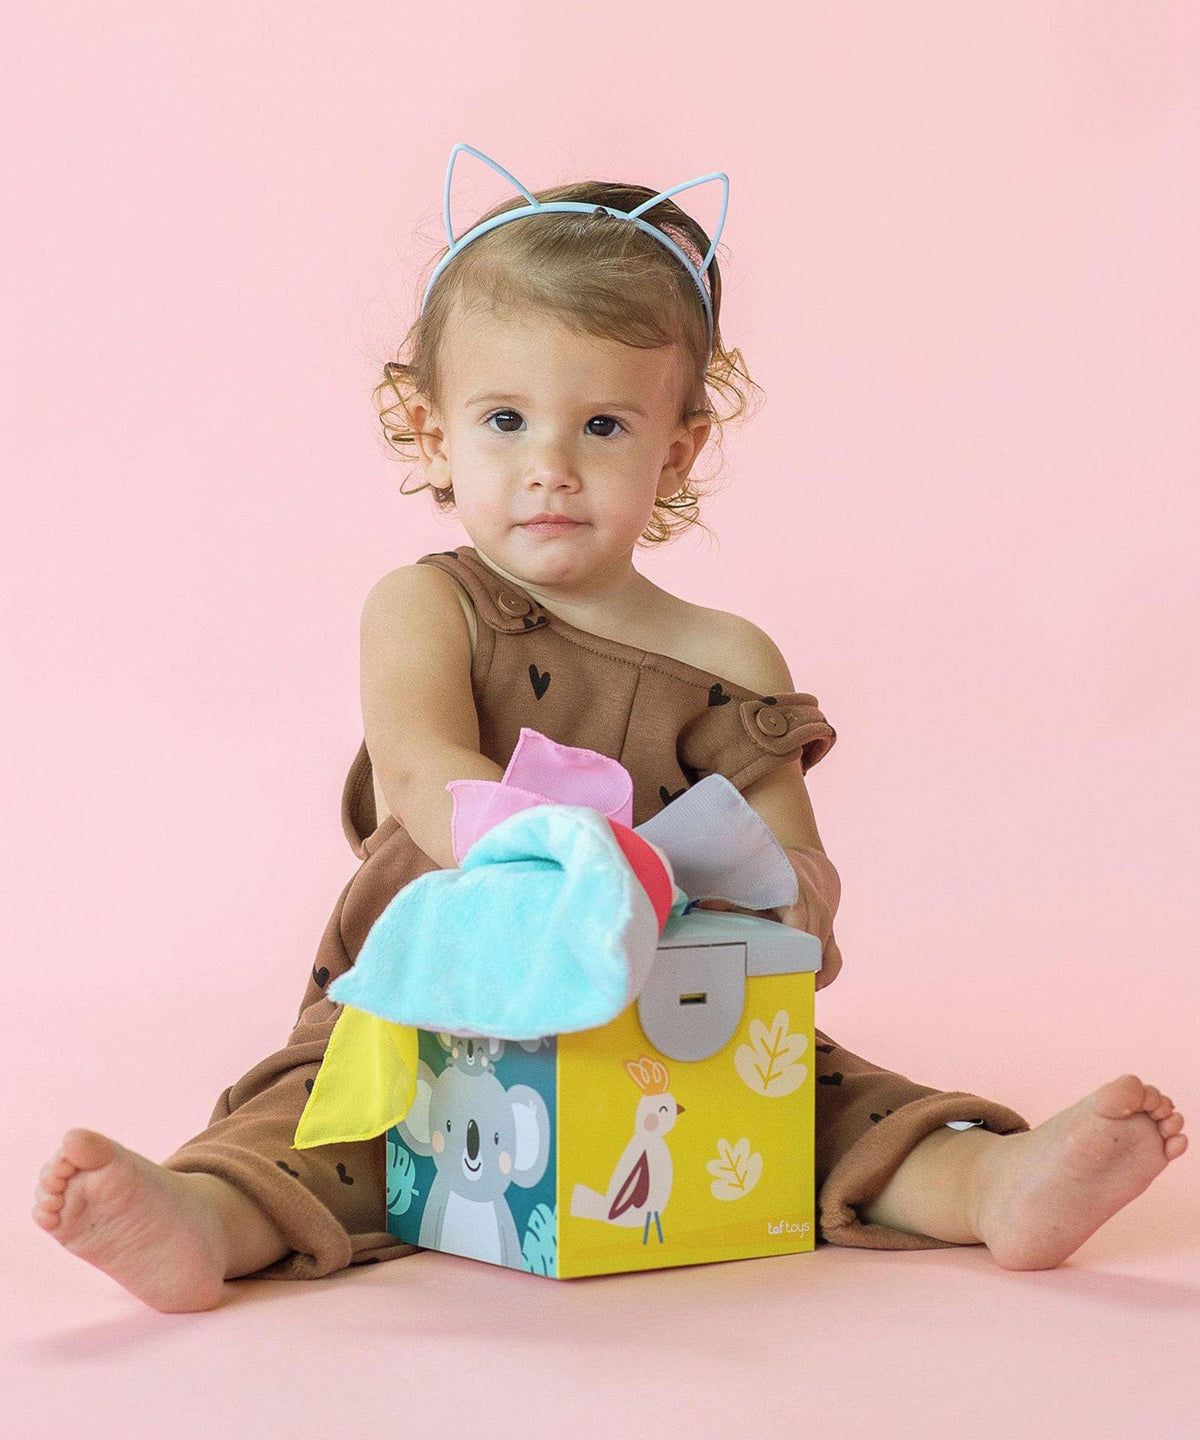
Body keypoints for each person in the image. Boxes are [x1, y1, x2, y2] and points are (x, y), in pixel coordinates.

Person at [33, 144, 1187, 1313]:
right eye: (504, 419)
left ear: (676, 450)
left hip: (670, 1001)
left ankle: (993, 1184)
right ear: (430, 431)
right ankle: (203, 1218)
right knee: (323, 1117)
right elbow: (421, 774)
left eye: (601, 425)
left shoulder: (730, 660)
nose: (550, 468)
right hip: (440, 995)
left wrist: (740, 903)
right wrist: (565, 860)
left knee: (824, 1104)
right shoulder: (429, 607)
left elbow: (799, 874)